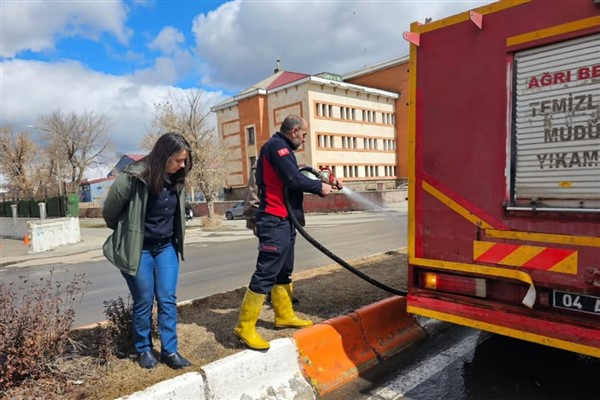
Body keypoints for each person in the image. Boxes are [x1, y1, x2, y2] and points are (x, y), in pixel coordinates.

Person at [234, 114, 342, 350]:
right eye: (303, 135)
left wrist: (326, 179)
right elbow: (293, 179)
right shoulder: (277, 148)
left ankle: (284, 315)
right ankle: (245, 326)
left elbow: (298, 174)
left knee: (284, 270)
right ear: (294, 131)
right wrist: (319, 187)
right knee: (266, 271)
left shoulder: (282, 149)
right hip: (273, 220)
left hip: (285, 220)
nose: (304, 140)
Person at [102, 132, 193, 369]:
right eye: (178, 160)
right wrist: (129, 231)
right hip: (139, 250)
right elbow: (110, 212)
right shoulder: (133, 177)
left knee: (167, 299)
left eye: (184, 160)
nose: (182, 165)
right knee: (143, 299)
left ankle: (170, 351)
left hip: (165, 248)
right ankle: (143, 349)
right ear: (164, 156)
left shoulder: (177, 179)